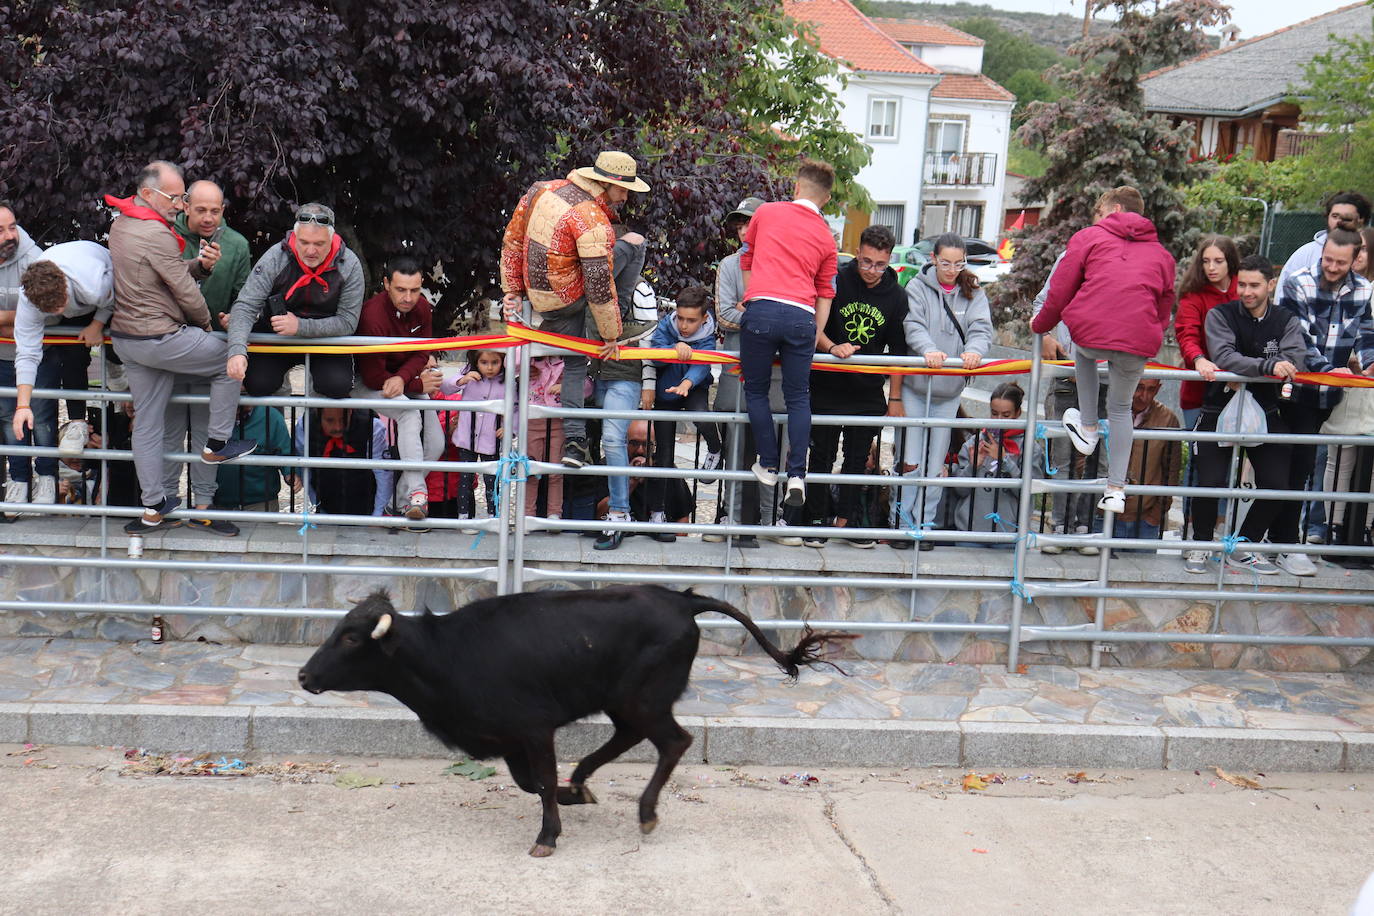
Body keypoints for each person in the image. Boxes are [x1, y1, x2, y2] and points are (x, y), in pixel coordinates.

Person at [103, 160, 256, 535]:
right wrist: (206, 327)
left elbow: (161, 274)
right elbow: (184, 292)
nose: (179, 204)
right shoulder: (156, 233)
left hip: (128, 340)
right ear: (148, 193)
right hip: (160, 338)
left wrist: (199, 268)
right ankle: (218, 442)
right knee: (230, 361)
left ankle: (154, 506)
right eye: (176, 198)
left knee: (148, 423)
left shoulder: (122, 223)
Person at [1031, 185, 1176, 516]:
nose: (1095, 218)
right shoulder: (1162, 254)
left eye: (1099, 212)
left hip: (1092, 333)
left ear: (1114, 210)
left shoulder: (1088, 238)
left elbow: (1060, 291)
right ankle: (1115, 489)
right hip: (1138, 339)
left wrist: (1041, 326)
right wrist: (1154, 328)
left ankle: (1089, 426)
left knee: (1083, 351)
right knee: (1122, 408)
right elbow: (1166, 300)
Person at [500, 150, 651, 469]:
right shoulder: (593, 220)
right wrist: (612, 335)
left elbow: (512, 241)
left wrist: (511, 289)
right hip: (572, 295)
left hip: (545, 300)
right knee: (636, 242)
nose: (625, 197)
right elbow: (598, 286)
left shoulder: (540, 189)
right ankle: (619, 321)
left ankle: (574, 442)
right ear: (605, 183)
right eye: (624, 190)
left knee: (575, 363)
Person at [1185, 256, 1307, 576]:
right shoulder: (1220, 314)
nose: (1247, 291)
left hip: (1267, 409)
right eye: (1242, 285)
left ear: (1270, 285)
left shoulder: (1286, 319)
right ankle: (1199, 545)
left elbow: (1294, 357)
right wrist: (1268, 367)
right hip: (1217, 406)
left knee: (1278, 483)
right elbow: (1224, 357)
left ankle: (1242, 546)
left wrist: (1262, 368)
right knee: (1209, 481)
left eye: (1255, 285)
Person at [738, 160, 839, 507]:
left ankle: (768, 463)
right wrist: (817, 333)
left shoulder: (765, 213)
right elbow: (826, 293)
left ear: (796, 187)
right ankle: (797, 474)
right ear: (825, 199)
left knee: (756, 391)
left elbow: (746, 260)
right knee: (799, 397)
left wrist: (754, 300)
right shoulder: (827, 238)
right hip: (802, 316)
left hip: (762, 309)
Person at [1274, 228, 1374, 574]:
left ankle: (1286, 541)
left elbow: (1366, 333)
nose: (1332, 267)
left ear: (1354, 260)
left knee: (1302, 469)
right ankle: (1283, 542)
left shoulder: (1364, 290)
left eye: (1340, 263)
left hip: (1329, 394)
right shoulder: (1298, 282)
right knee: (1290, 467)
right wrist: (1330, 370)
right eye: (1328, 260)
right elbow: (1296, 337)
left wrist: (1370, 360)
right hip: (1294, 389)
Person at [802, 223, 907, 548]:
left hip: (867, 391)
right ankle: (815, 522)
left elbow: (899, 352)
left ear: (889, 260)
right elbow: (812, 325)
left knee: (858, 459)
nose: (872, 270)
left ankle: (848, 521)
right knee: (821, 456)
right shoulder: (837, 278)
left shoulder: (896, 294)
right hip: (827, 385)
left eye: (879, 264)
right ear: (857, 253)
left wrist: (896, 398)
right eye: (866, 262)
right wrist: (832, 346)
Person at [895, 233, 993, 548]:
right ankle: (901, 526)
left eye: (958, 263)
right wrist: (927, 350)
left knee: (936, 464)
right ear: (934, 259)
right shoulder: (917, 288)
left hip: (948, 391)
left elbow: (981, 328)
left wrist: (975, 351)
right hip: (917, 386)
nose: (951, 269)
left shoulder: (973, 292)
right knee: (910, 460)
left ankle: (923, 526)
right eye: (946, 262)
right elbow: (913, 325)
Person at [5, 243, 113, 516]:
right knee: (53, 349)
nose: (57, 310)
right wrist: (22, 406)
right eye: (50, 308)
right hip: (64, 289)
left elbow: (115, 296)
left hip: (100, 284)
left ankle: (80, 420)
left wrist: (97, 324)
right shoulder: (29, 300)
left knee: (77, 354)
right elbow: (27, 354)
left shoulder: (92, 284)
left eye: (59, 305)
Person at [226, 202, 364, 399]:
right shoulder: (276, 256)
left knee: (336, 385)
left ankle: (314, 424)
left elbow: (348, 322)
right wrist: (237, 351)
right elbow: (246, 305)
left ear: (332, 239)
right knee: (258, 384)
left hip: (326, 339)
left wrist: (300, 326)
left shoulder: (349, 264)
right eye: (304, 242)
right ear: (294, 236)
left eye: (319, 244)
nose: (310, 251)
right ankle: (278, 421)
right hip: (277, 336)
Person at [352, 255, 444, 521]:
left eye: (414, 290)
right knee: (408, 414)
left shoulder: (423, 308)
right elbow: (372, 377)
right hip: (368, 380)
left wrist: (406, 380)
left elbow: (422, 352)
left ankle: (397, 503)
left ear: (422, 285)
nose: (408, 297)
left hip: (404, 378)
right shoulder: (372, 315)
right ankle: (417, 494)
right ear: (386, 284)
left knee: (436, 445)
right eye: (401, 289)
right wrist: (414, 381)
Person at [1032, 251, 1104, 557]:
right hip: (1064, 375)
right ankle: (1059, 526)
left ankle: (1084, 527)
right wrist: (1045, 334)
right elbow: (1040, 305)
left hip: (1104, 379)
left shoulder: (1123, 265)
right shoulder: (1068, 258)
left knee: (1097, 457)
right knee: (1060, 456)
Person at [590, 226, 653, 551]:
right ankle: (569, 515)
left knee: (613, 439)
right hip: (589, 373)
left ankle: (619, 513)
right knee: (580, 444)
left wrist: (649, 386)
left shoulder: (640, 290)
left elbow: (650, 337)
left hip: (625, 375)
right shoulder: (585, 286)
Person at [642, 286, 720, 542]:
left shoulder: (709, 332)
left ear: (704, 319)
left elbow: (702, 364)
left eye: (691, 320)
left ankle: (716, 447)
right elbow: (655, 355)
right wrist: (673, 348)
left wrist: (687, 383)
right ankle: (658, 513)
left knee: (701, 416)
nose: (684, 325)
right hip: (667, 391)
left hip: (693, 387)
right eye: (681, 318)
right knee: (663, 454)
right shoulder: (668, 325)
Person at [1175, 235, 1241, 430]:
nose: (1211, 267)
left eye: (1218, 261)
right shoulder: (1193, 294)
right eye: (1206, 261)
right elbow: (1187, 334)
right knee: (1199, 454)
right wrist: (1199, 359)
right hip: (1200, 392)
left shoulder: (1245, 288)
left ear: (1230, 261)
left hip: (1240, 387)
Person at [1109, 377, 1182, 547]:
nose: (1144, 396)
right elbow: (1085, 458)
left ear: (1158, 389)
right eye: (1139, 387)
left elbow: (1171, 472)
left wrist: (1156, 515)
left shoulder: (1168, 419)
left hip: (1145, 519)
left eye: (1151, 389)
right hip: (1104, 513)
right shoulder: (1109, 409)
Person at [949, 382, 1024, 544]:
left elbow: (1027, 494)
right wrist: (973, 467)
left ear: (1018, 413)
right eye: (994, 413)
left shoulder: (1028, 447)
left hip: (1007, 535)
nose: (999, 420)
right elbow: (959, 491)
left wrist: (1005, 461)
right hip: (970, 533)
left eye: (1006, 415)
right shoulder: (972, 444)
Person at [174, 180, 252, 328]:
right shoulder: (166, 235)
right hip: (170, 334)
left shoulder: (238, 244)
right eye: (201, 210)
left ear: (222, 210)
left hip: (214, 334)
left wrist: (234, 317)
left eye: (215, 211)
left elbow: (243, 296)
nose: (208, 218)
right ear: (186, 207)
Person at [441, 349, 506, 523]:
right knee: (465, 479)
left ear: (503, 361)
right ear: (476, 362)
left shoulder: (507, 382)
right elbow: (446, 387)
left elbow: (515, 408)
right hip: (466, 437)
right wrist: (462, 380)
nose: (490, 367)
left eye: (495, 362)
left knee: (492, 479)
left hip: (491, 438)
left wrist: (509, 427)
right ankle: (464, 517)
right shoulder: (468, 374)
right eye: (484, 363)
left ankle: (494, 516)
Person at [293, 406, 393, 517]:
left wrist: (378, 515)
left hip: (367, 508)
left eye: (343, 419)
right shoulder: (305, 426)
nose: (337, 427)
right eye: (330, 420)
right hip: (326, 508)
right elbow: (305, 468)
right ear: (318, 414)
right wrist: (317, 504)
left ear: (351, 411)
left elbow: (384, 475)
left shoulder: (372, 426)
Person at [1279, 190, 1371, 289]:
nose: (1339, 221)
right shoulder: (1305, 254)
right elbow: (1282, 294)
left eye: (1347, 217)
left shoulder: (1369, 255)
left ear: (1361, 220)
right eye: (1335, 216)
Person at [215, 404, 298, 513]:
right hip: (218, 502)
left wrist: (290, 473)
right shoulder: (213, 414)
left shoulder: (271, 416)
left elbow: (284, 452)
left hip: (261, 502)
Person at [525, 354, 566, 523]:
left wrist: (566, 386)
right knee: (529, 471)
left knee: (555, 471)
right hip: (531, 421)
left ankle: (554, 514)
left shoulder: (566, 362)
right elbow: (511, 362)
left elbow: (587, 386)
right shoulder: (530, 360)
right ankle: (527, 515)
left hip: (557, 421)